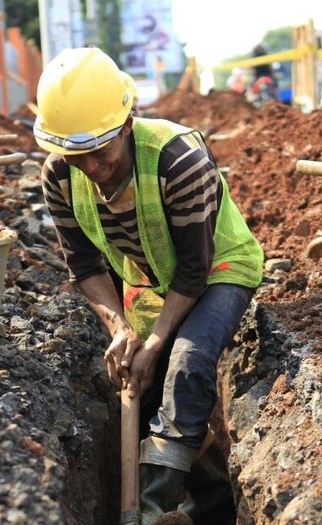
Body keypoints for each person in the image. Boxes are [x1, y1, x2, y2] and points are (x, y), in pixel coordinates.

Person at [34, 47, 264, 525]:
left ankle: (157, 508)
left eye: (100, 150)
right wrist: (121, 329)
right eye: (77, 155)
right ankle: (206, 500)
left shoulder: (176, 160)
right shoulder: (59, 175)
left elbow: (194, 270)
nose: (91, 166)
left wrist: (156, 341)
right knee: (160, 392)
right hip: (148, 278)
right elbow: (84, 264)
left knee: (188, 365)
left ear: (125, 123)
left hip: (218, 267)